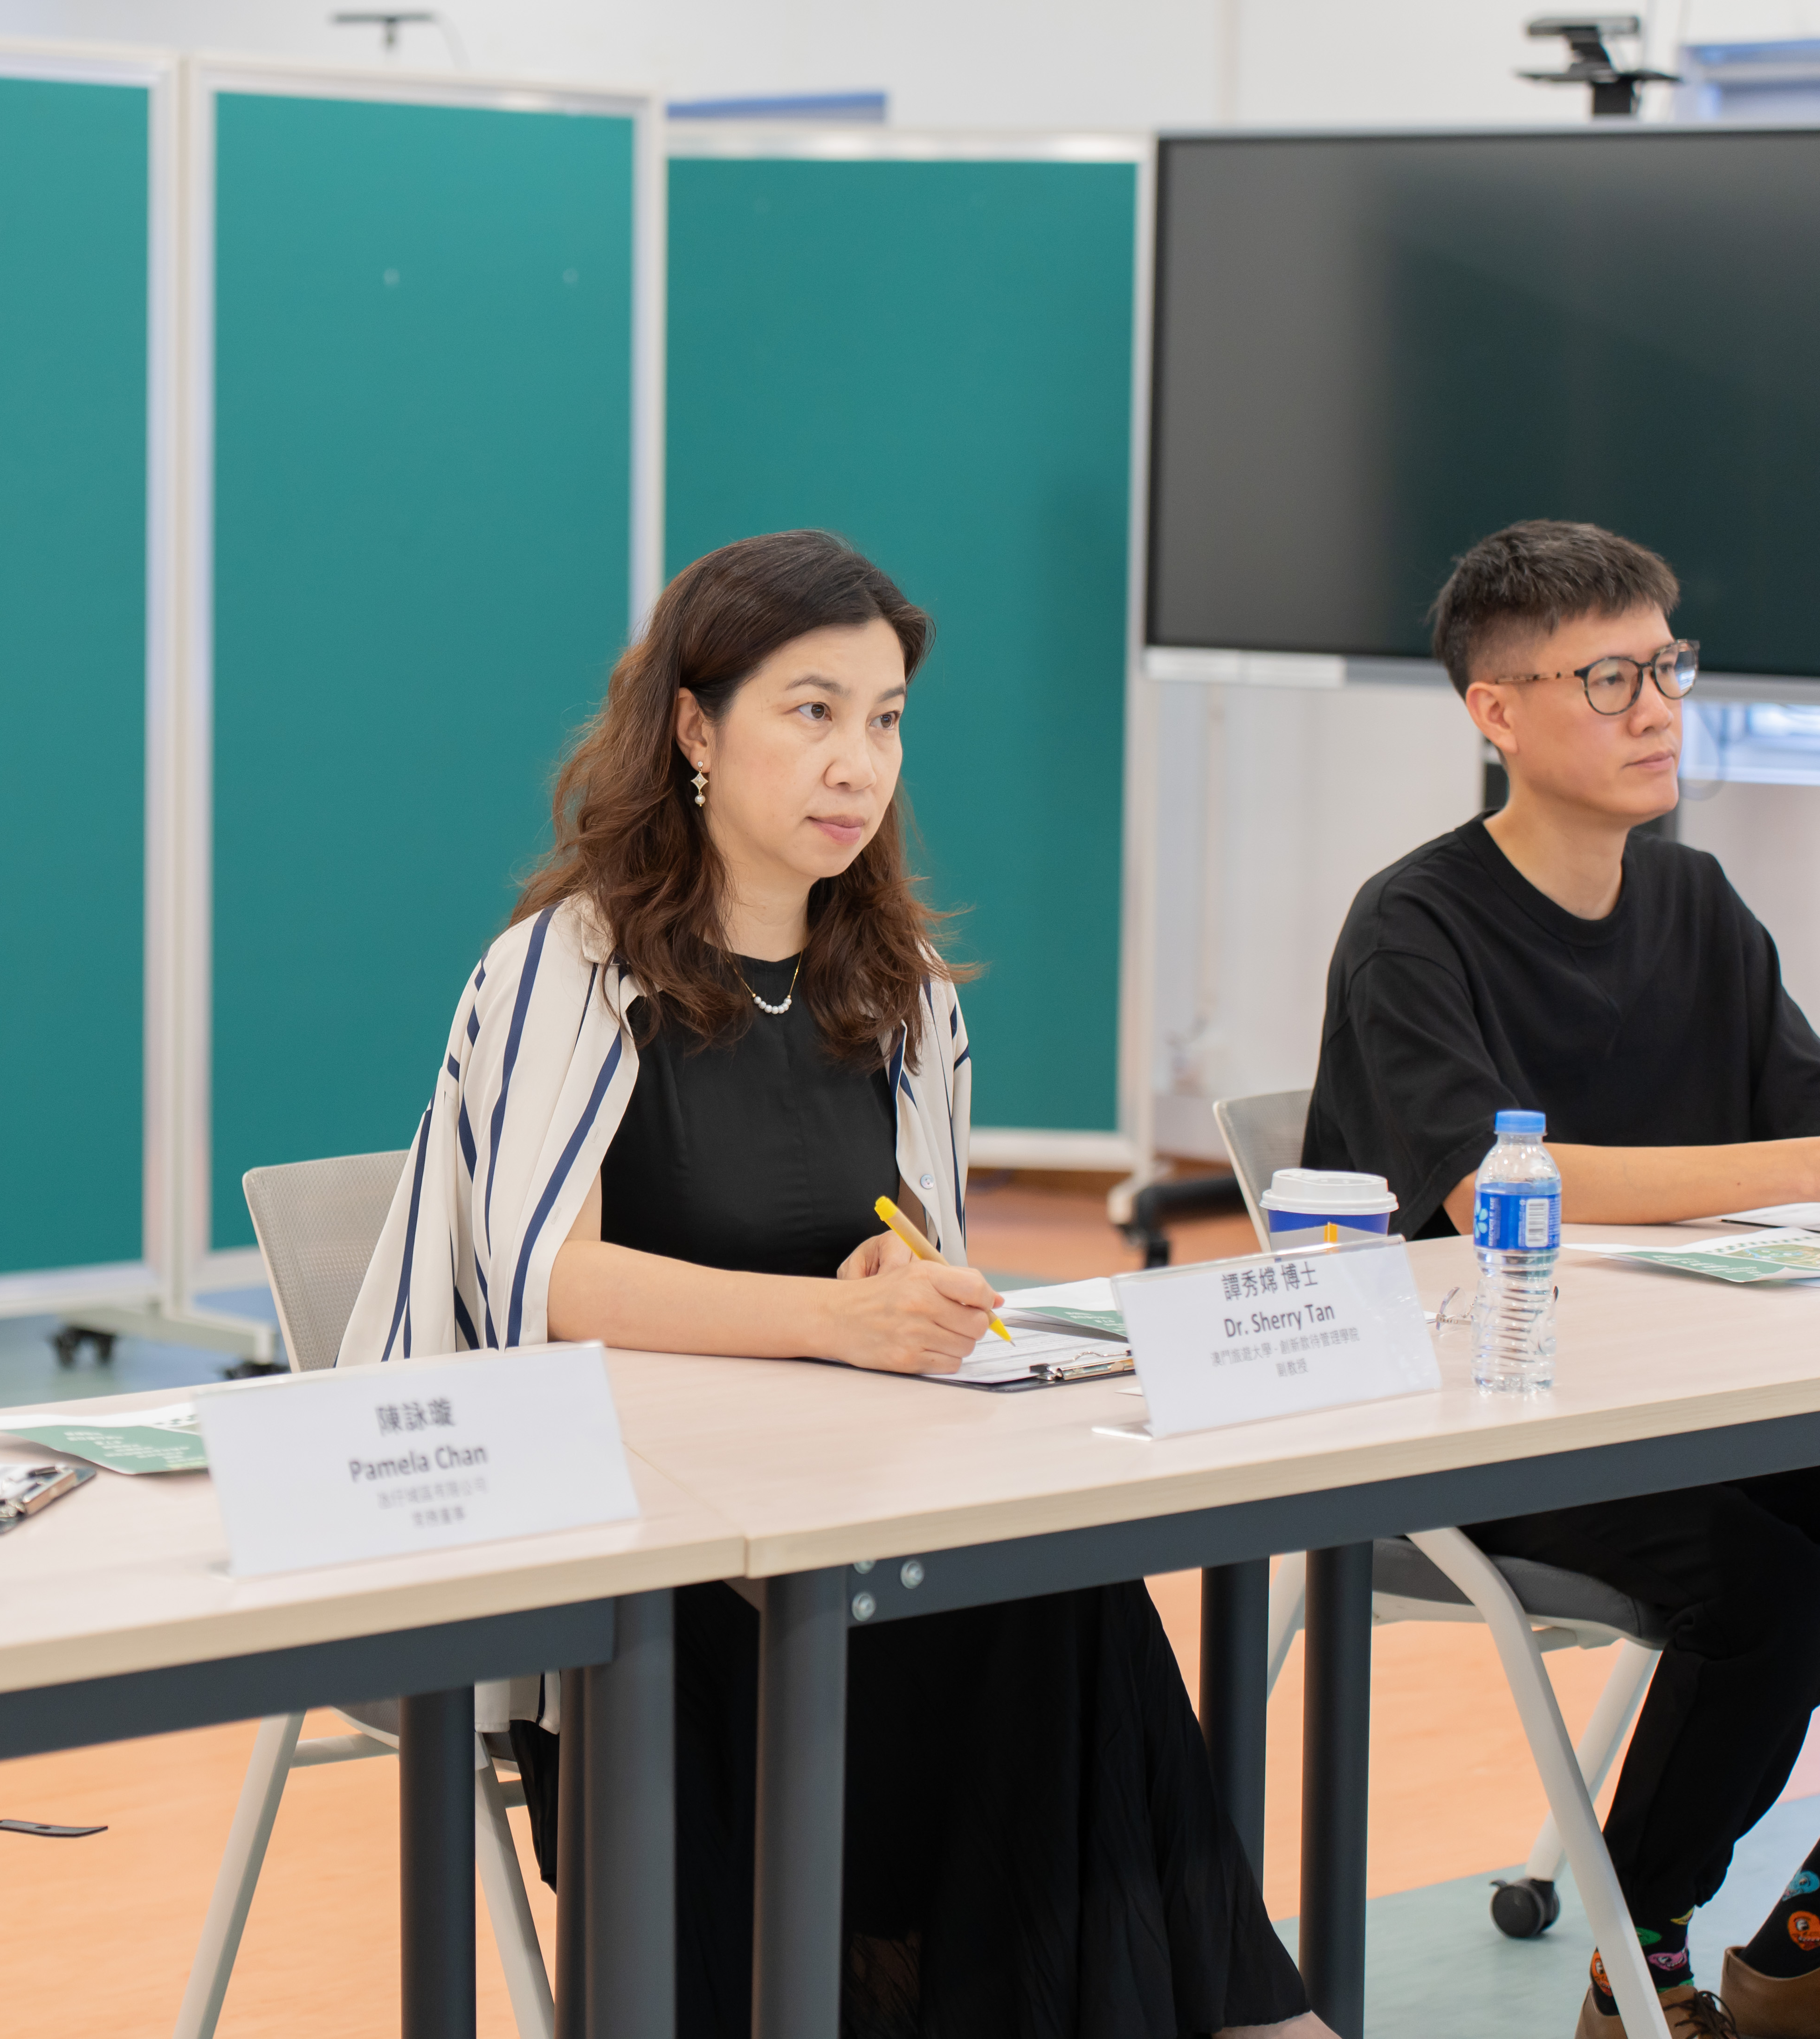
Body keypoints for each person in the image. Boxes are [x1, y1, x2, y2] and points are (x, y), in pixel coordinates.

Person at [342, 530, 1328, 2039]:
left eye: (885, 721)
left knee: (1067, 1584)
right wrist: (830, 1316)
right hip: (649, 1565)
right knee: (953, 1621)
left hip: (853, 1515)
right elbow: (551, 1281)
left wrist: (908, 1279)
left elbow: (911, 1258)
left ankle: (1225, 2017)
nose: (856, 763)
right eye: (812, 712)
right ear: (694, 726)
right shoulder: (568, 964)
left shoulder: (904, 988)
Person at [1303, 519, 1820, 2039]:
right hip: (1493, 1416)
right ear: (1495, 711)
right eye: (1610, 679)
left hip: (1716, 1395)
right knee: (1772, 1605)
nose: (1659, 708)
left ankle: (1812, 1935)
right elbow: (1484, 1188)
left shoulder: (1697, 901)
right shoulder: (1415, 926)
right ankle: (1638, 1964)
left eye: (1668, 666)